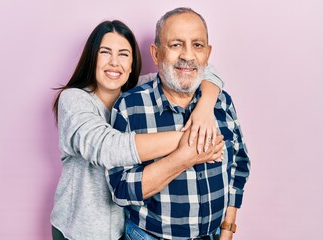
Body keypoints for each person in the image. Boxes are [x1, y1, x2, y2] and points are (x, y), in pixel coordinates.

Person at [50, 20, 225, 240]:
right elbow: (107, 148)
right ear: (92, 58)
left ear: (132, 64)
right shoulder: (74, 99)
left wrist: (204, 109)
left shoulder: (137, 92)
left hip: (127, 231)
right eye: (105, 52)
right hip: (79, 232)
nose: (114, 63)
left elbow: (203, 70)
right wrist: (192, 142)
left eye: (123, 54)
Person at [106, 8, 250, 240]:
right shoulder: (130, 106)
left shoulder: (221, 102)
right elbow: (121, 190)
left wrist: (228, 227)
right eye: (175, 45)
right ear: (155, 54)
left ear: (208, 53)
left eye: (197, 45)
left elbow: (239, 165)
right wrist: (186, 156)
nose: (188, 56)